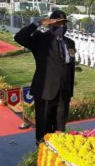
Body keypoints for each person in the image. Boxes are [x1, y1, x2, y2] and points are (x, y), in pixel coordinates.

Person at [14, 10, 76, 145]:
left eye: (64, 23)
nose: (62, 27)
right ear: (50, 24)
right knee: (44, 126)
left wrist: (69, 91)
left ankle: (57, 151)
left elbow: (70, 69)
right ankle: (42, 151)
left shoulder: (70, 43)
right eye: (58, 23)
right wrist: (39, 23)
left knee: (60, 126)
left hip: (63, 92)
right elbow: (19, 37)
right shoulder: (40, 39)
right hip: (45, 91)